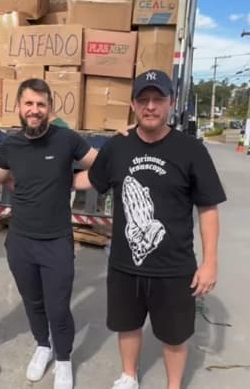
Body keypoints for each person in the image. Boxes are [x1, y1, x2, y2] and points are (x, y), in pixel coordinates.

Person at [73, 69, 226, 389]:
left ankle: (173, 386)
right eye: (143, 99)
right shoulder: (118, 147)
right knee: (127, 325)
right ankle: (129, 375)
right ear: (133, 105)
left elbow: (208, 208)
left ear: (171, 103)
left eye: (158, 99)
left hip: (174, 267)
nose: (151, 106)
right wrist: (46, 180)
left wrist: (210, 262)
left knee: (175, 335)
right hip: (125, 265)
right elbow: (91, 179)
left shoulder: (191, 150)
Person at [0, 78, 97, 389]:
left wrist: (72, 182)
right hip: (20, 240)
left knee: (58, 306)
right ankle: (43, 346)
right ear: (19, 107)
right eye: (29, 104)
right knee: (32, 302)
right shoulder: (11, 145)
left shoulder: (66, 139)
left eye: (41, 104)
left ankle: (63, 359)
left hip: (56, 240)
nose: (35, 110)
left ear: (50, 108)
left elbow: (100, 167)